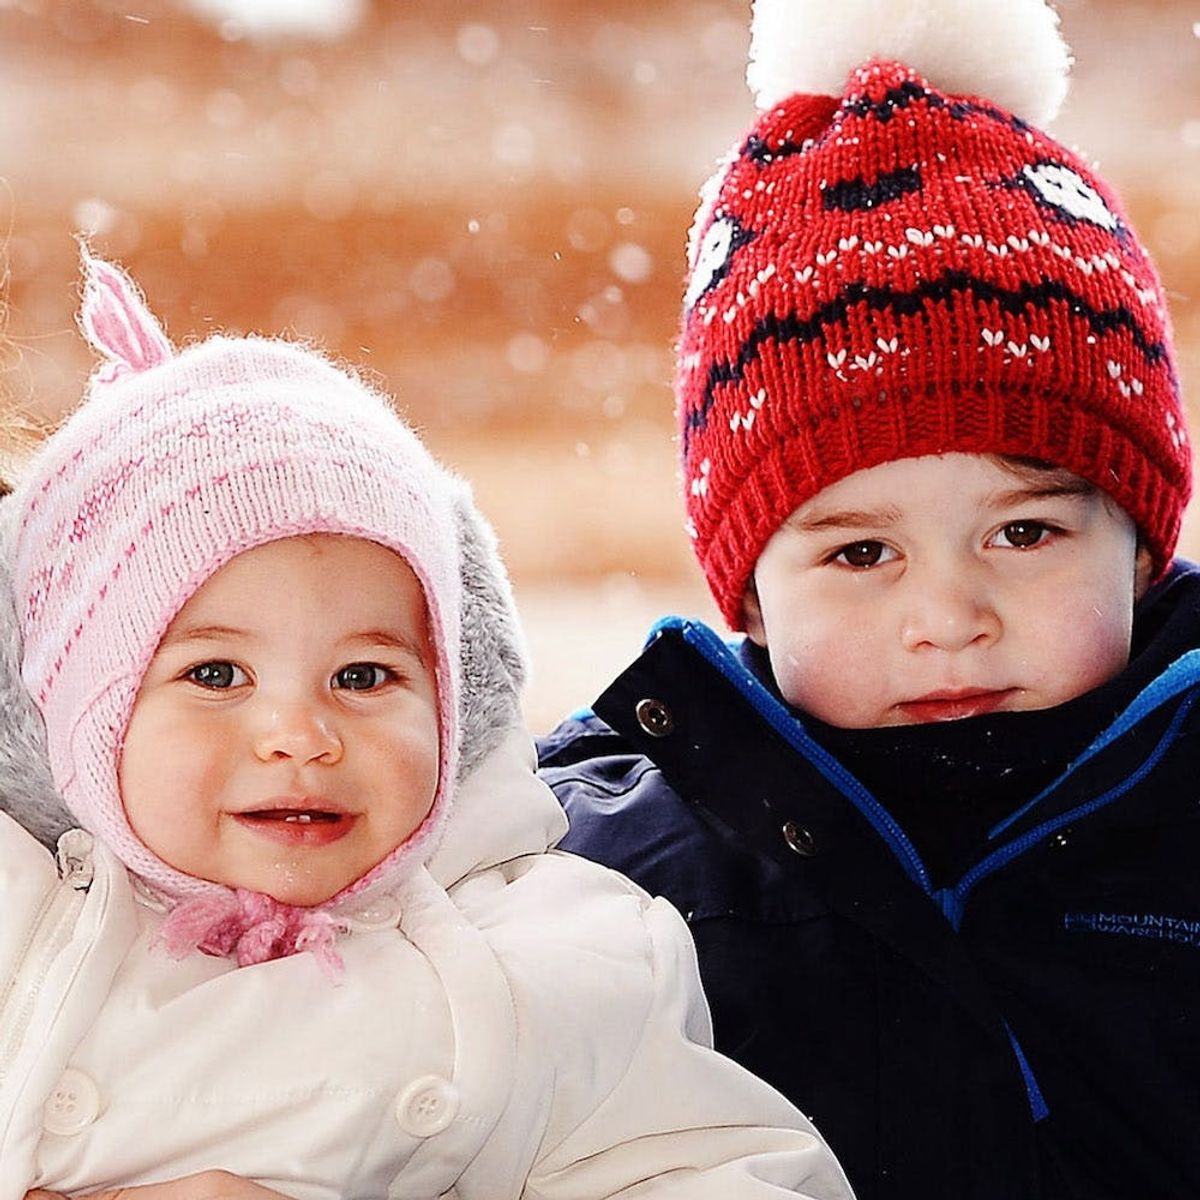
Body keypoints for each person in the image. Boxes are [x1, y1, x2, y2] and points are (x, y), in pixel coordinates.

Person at [0, 250, 853, 1200]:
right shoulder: (18, 923)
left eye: (363, 675)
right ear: (79, 712)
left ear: (451, 702)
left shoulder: (552, 960)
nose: (299, 734)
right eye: (215, 673)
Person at [537, 0, 1200, 1197]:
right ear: (749, 591)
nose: (948, 616)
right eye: (859, 555)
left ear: (1144, 550)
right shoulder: (600, 888)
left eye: (1025, 530)